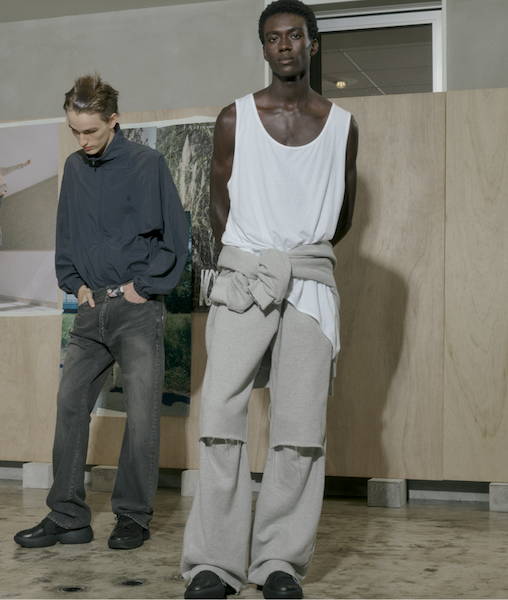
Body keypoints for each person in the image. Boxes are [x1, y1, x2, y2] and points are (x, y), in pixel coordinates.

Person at [181, 1, 359, 598]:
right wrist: (254, 255)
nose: (285, 45)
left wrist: (295, 256)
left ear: (313, 44)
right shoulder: (234, 117)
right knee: (219, 415)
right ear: (263, 48)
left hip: (309, 285)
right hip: (245, 279)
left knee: (300, 426)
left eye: (295, 36)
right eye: (274, 37)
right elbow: (218, 201)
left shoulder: (343, 125)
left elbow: (343, 214)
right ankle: (214, 563)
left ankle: (279, 562)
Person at [14, 74, 189, 550]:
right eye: (75, 131)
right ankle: (68, 516)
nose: (83, 140)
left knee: (143, 414)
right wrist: (75, 285)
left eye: (90, 130)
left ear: (114, 120)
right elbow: (66, 232)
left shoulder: (149, 164)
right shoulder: (74, 167)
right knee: (70, 405)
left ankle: (132, 515)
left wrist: (143, 288)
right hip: (91, 309)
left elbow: (176, 237)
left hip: (137, 310)